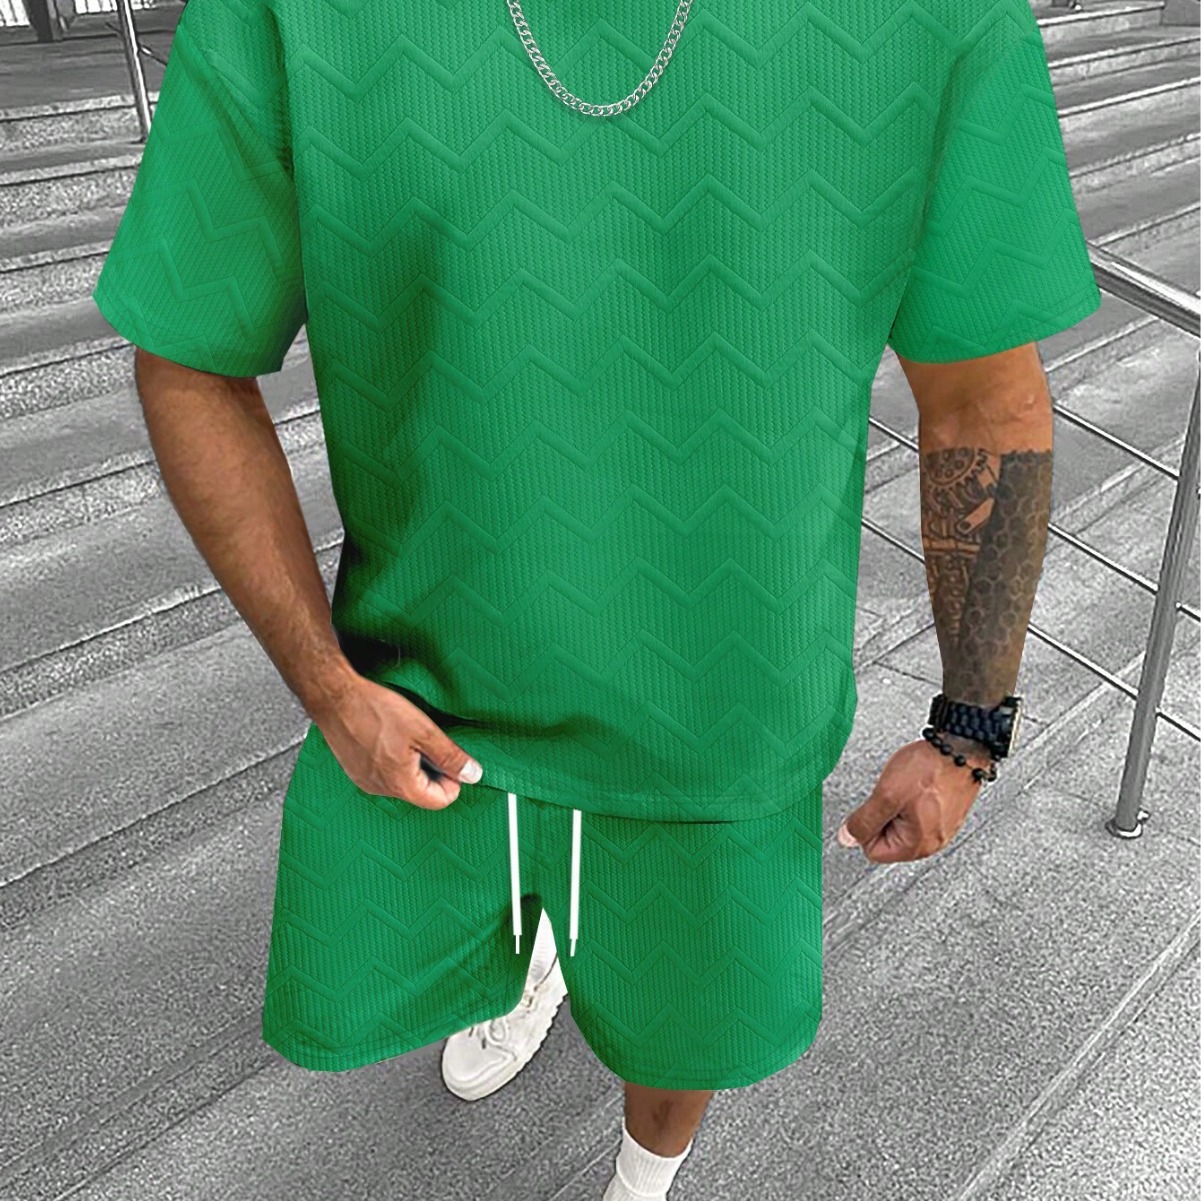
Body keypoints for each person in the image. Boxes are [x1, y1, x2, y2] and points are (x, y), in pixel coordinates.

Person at [91, 0, 1101, 1196]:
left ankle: (641, 1177)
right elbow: (189, 353)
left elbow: (984, 399)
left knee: (683, 1030)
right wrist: (322, 683)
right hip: (438, 698)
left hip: (721, 715)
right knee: (548, 931)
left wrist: (970, 728)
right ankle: (539, 948)